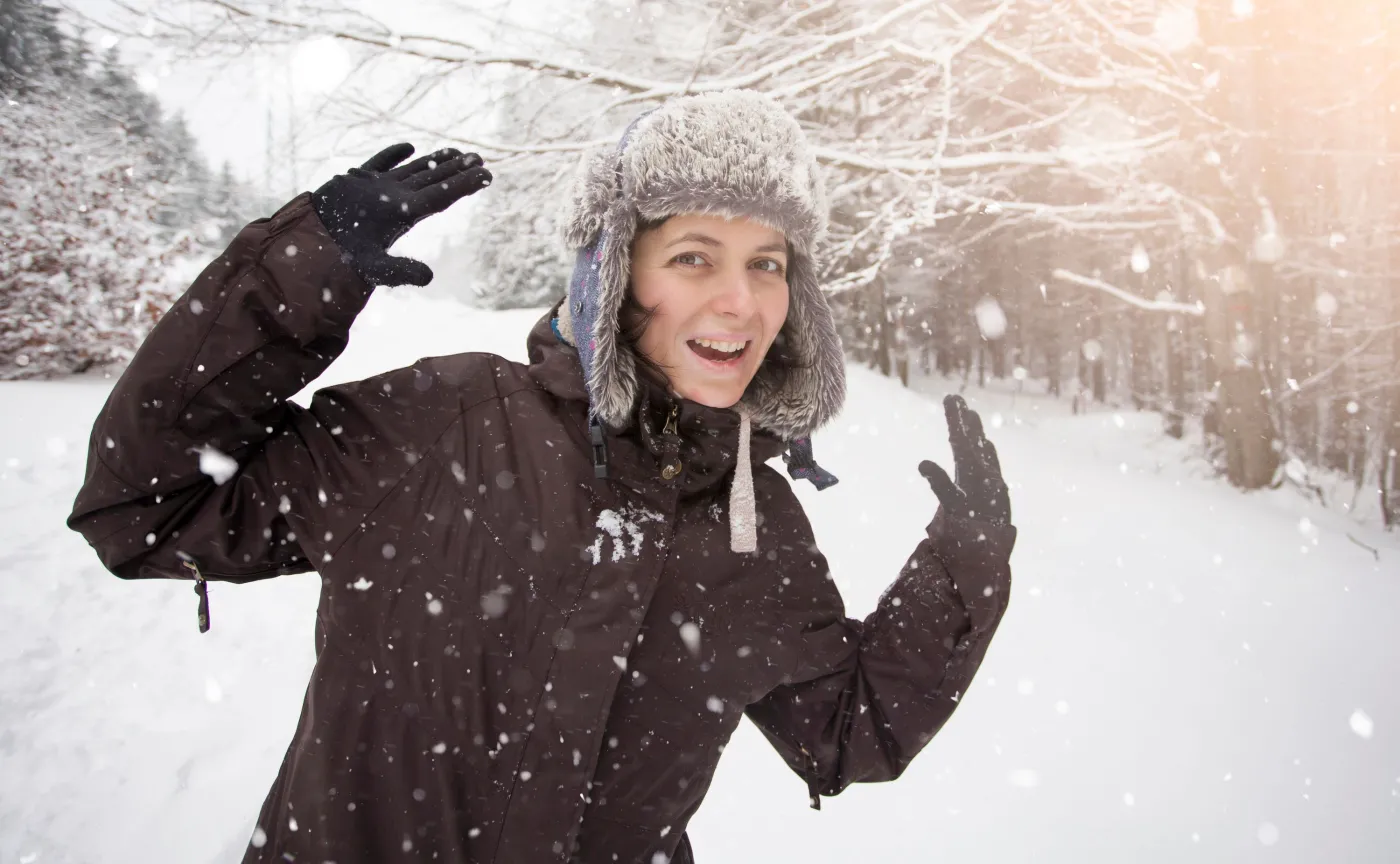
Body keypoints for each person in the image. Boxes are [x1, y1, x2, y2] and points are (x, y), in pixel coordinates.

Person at [68, 90, 1015, 864]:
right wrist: (301, 268)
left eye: (767, 264)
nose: (740, 300)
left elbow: (845, 734)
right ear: (610, 272)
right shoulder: (447, 425)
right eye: (693, 256)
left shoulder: (753, 524)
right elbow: (146, 509)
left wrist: (960, 570)